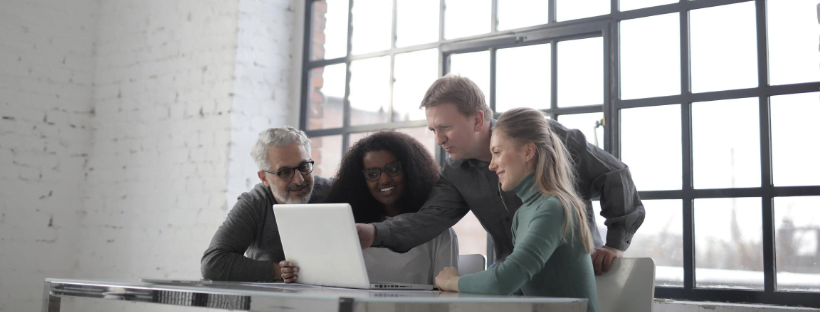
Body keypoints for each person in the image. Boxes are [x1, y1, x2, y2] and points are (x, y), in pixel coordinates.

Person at [356, 75, 645, 275]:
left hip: (573, 277)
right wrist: (374, 232)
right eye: (433, 130)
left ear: (478, 119)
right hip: (514, 283)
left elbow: (615, 175)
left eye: (445, 127)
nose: (439, 139)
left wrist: (615, 244)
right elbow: (426, 220)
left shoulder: (542, 135)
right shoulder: (456, 172)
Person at [434, 107, 598, 312]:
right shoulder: (523, 213)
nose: (492, 166)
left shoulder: (553, 208)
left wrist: (452, 281)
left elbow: (503, 281)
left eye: (497, 153)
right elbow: (517, 291)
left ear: (528, 151)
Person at [282, 131, 459, 285]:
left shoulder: (439, 233)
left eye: (393, 169)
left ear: (411, 170)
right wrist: (294, 272)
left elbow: (446, 297)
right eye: (372, 174)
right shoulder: (349, 230)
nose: (384, 180)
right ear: (361, 181)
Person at [200, 127, 332, 281]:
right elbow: (213, 264)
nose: (299, 180)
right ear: (264, 178)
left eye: (303, 167)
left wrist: (369, 232)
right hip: (268, 301)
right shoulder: (254, 204)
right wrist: (281, 271)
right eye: (285, 172)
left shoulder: (334, 191)